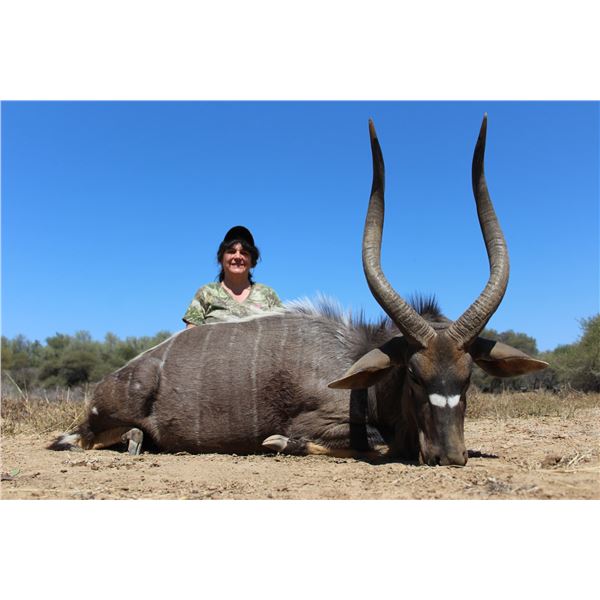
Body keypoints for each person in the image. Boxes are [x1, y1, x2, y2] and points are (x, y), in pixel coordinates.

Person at [182, 225, 283, 328]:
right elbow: (190, 334)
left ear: (252, 261)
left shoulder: (268, 294)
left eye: (244, 252)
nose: (237, 256)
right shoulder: (206, 293)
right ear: (221, 259)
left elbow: (282, 328)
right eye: (231, 251)